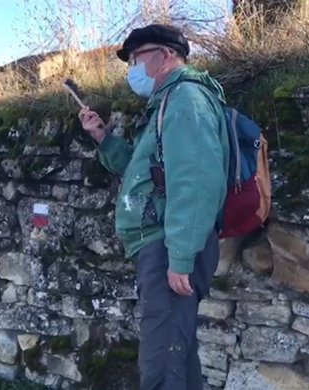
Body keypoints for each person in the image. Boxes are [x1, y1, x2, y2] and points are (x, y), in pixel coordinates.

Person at [79, 24, 230, 390]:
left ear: (164, 55)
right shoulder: (168, 102)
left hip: (169, 246)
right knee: (177, 354)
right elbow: (143, 173)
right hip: (166, 244)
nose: (132, 69)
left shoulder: (184, 101)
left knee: (161, 363)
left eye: (136, 58)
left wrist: (180, 258)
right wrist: (102, 138)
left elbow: (195, 181)